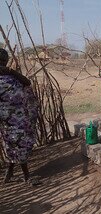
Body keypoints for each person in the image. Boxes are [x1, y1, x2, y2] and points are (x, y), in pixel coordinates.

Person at [0, 48, 39, 184]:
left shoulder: (13, 77)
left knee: (13, 144)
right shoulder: (13, 78)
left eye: (3, 60)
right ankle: (26, 176)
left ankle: (9, 173)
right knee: (17, 144)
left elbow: (27, 83)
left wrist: (10, 71)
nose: (3, 63)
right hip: (12, 120)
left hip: (12, 120)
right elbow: (27, 84)